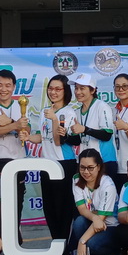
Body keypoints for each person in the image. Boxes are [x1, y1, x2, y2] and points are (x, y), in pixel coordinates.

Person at [27, 74, 79, 241]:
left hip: (64, 164)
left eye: (58, 89)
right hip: (46, 164)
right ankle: (56, 241)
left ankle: (64, 244)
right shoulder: (45, 112)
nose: (53, 92)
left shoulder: (68, 112)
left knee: (63, 207)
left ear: (65, 91)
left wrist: (55, 119)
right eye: (50, 88)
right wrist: (27, 137)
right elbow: (42, 137)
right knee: (49, 207)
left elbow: (58, 141)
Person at [69, 148, 123, 255]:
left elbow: (102, 219)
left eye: (90, 168)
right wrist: (94, 217)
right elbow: (82, 209)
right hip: (94, 221)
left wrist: (82, 241)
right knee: (79, 222)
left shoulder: (107, 184)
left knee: (92, 243)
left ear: (98, 167)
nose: (86, 172)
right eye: (82, 167)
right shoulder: (76, 179)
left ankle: (116, 254)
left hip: (111, 226)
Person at [0, 69, 28, 174]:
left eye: (8, 85)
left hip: (19, 158)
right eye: (0, 85)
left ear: (14, 87)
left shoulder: (22, 105)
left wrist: (9, 121)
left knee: (19, 186)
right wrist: (16, 125)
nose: (4, 89)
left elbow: (27, 131)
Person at [67, 73, 116, 170]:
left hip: (104, 162)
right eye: (76, 88)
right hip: (85, 164)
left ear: (92, 90)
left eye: (82, 88)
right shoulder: (76, 112)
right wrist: (64, 135)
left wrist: (85, 129)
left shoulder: (102, 107)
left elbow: (106, 135)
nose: (78, 92)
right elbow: (77, 141)